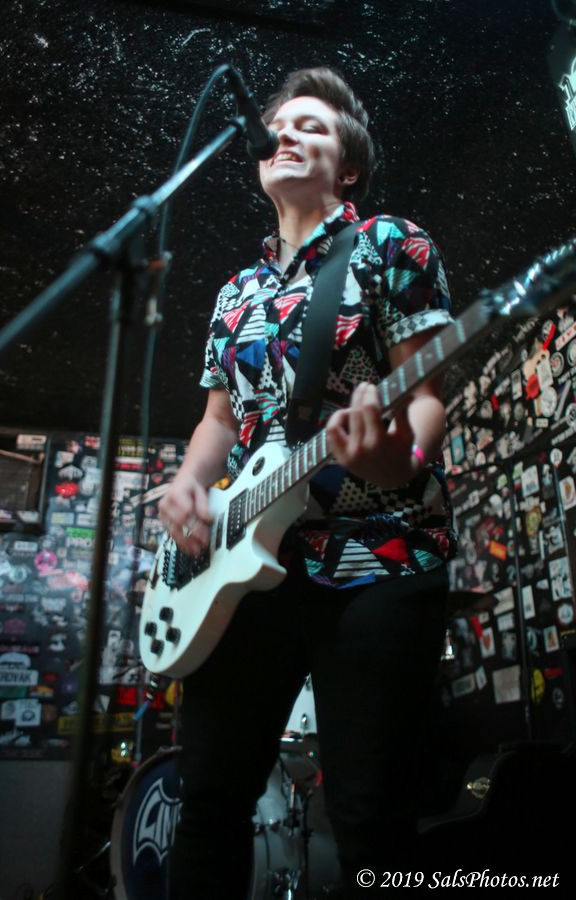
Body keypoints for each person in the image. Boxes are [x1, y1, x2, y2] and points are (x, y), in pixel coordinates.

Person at [160, 66, 456, 898]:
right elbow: (220, 422)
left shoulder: (393, 244)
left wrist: (393, 458)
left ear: (349, 167)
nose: (288, 134)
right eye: (280, 126)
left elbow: (426, 396)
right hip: (243, 573)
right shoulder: (235, 294)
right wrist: (188, 483)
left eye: (313, 127)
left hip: (377, 555)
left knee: (371, 811)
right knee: (209, 801)